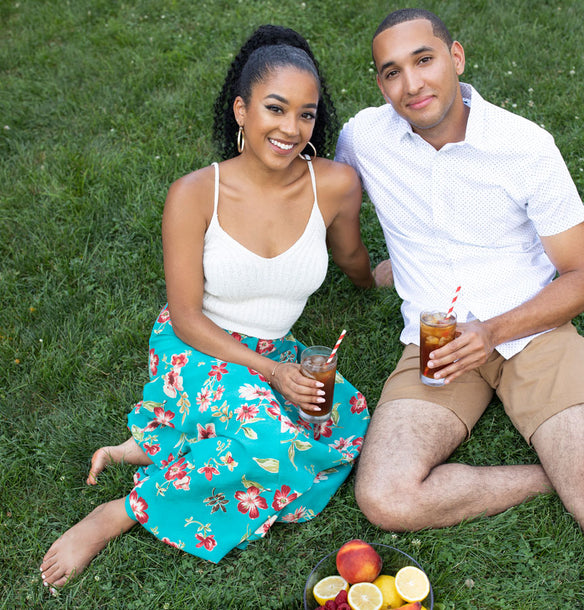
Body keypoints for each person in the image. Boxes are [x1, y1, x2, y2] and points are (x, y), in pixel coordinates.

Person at [40, 24, 377, 590]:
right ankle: (120, 514)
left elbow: (351, 257)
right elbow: (187, 315)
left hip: (275, 349)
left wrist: (377, 281)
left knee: (342, 425)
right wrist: (270, 373)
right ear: (242, 111)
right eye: (275, 109)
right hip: (197, 343)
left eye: (306, 114)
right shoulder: (195, 193)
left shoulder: (337, 185)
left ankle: (167, 444)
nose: (291, 129)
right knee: (271, 443)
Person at [335, 8, 584, 584]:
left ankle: (582, 477)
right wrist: (370, 273)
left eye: (424, 60)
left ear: (456, 57)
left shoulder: (524, 146)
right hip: (432, 342)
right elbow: (332, 202)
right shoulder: (364, 137)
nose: (411, 85)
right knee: (387, 498)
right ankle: (556, 473)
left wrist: (492, 333)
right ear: (379, 84)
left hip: (534, 331)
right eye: (391, 72)